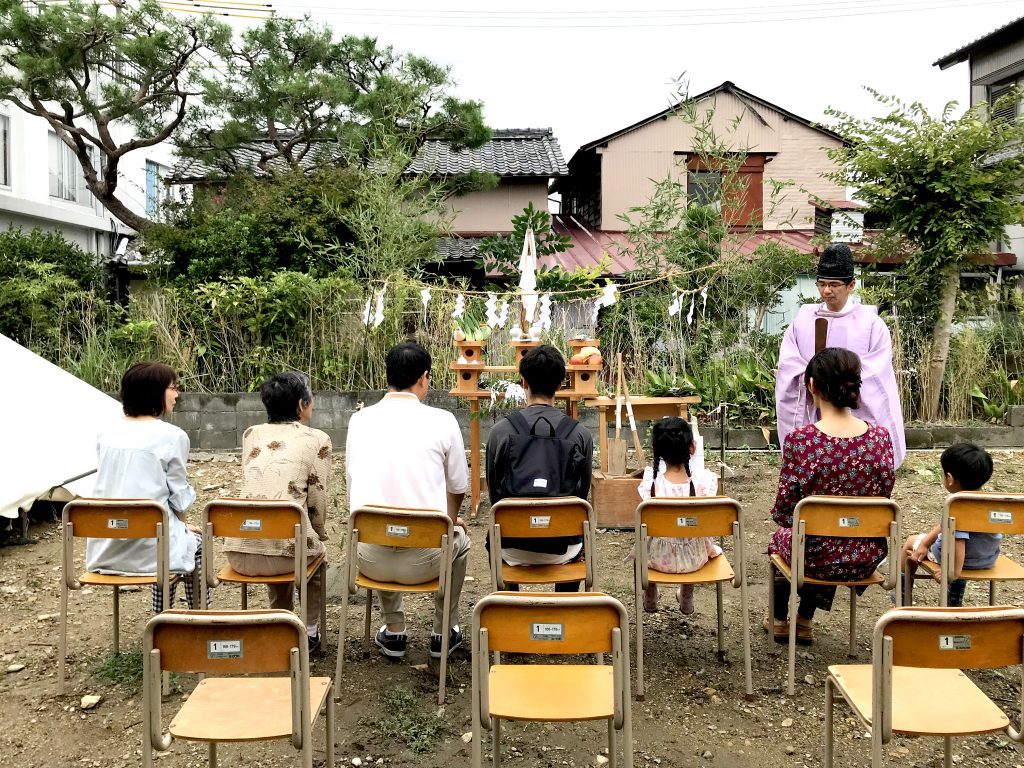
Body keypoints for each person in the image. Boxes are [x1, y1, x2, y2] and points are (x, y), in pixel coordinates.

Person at [346, 342, 471, 659]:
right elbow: (458, 485)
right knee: (462, 540)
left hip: (368, 560)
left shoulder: (359, 421)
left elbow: (352, 485)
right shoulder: (443, 421)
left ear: (387, 376)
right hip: (426, 562)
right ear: (424, 378)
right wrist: (449, 520)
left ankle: (395, 630)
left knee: (381, 523)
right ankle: (443, 632)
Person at [766, 347, 895, 644]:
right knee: (827, 534)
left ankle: (779, 620)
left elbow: (784, 513)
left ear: (812, 386)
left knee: (790, 537)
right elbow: (883, 496)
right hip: (865, 555)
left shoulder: (801, 441)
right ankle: (805, 620)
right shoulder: (880, 438)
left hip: (813, 556)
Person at [222, 372, 332, 652]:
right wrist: (318, 534)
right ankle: (308, 631)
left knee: (276, 530)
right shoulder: (317, 439)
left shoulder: (251, 434)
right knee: (312, 554)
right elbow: (317, 499)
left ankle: (279, 621)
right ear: (300, 405)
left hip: (240, 552)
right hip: (286, 557)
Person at [86, 362, 208, 611]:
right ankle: (197, 618)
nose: (178, 394)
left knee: (167, 532)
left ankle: (160, 615)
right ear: (156, 392)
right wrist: (182, 526)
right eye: (174, 387)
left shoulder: (105, 432)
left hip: (105, 550)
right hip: (152, 550)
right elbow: (180, 498)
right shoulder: (172, 436)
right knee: (192, 542)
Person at [775, 242, 905, 468]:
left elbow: (877, 372)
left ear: (851, 285)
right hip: (815, 411)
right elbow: (789, 365)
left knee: (857, 467)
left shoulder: (872, 324)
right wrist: (814, 379)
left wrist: (833, 381)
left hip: (855, 414)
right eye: (822, 284)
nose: (827, 291)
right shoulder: (802, 322)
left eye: (834, 285)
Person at [485, 345, 594, 592]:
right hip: (564, 548)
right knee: (575, 526)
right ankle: (565, 608)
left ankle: (509, 603)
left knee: (499, 524)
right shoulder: (580, 435)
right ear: (560, 384)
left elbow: (495, 495)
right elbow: (581, 495)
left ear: (524, 382)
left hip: (511, 547)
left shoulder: (499, 433)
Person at [637, 416, 721, 614]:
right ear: (692, 448)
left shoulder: (651, 484)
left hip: (656, 559)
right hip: (694, 559)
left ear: (656, 450)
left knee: (643, 543)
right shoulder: (704, 481)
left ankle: (650, 597)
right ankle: (686, 597)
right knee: (692, 532)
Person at [900, 443, 997, 606]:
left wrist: (952, 573)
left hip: (959, 561)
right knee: (942, 542)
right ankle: (954, 597)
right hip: (986, 559)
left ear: (950, 479)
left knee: (910, 542)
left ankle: (902, 595)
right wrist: (926, 542)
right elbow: (947, 525)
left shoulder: (958, 505)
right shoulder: (988, 501)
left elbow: (959, 541)